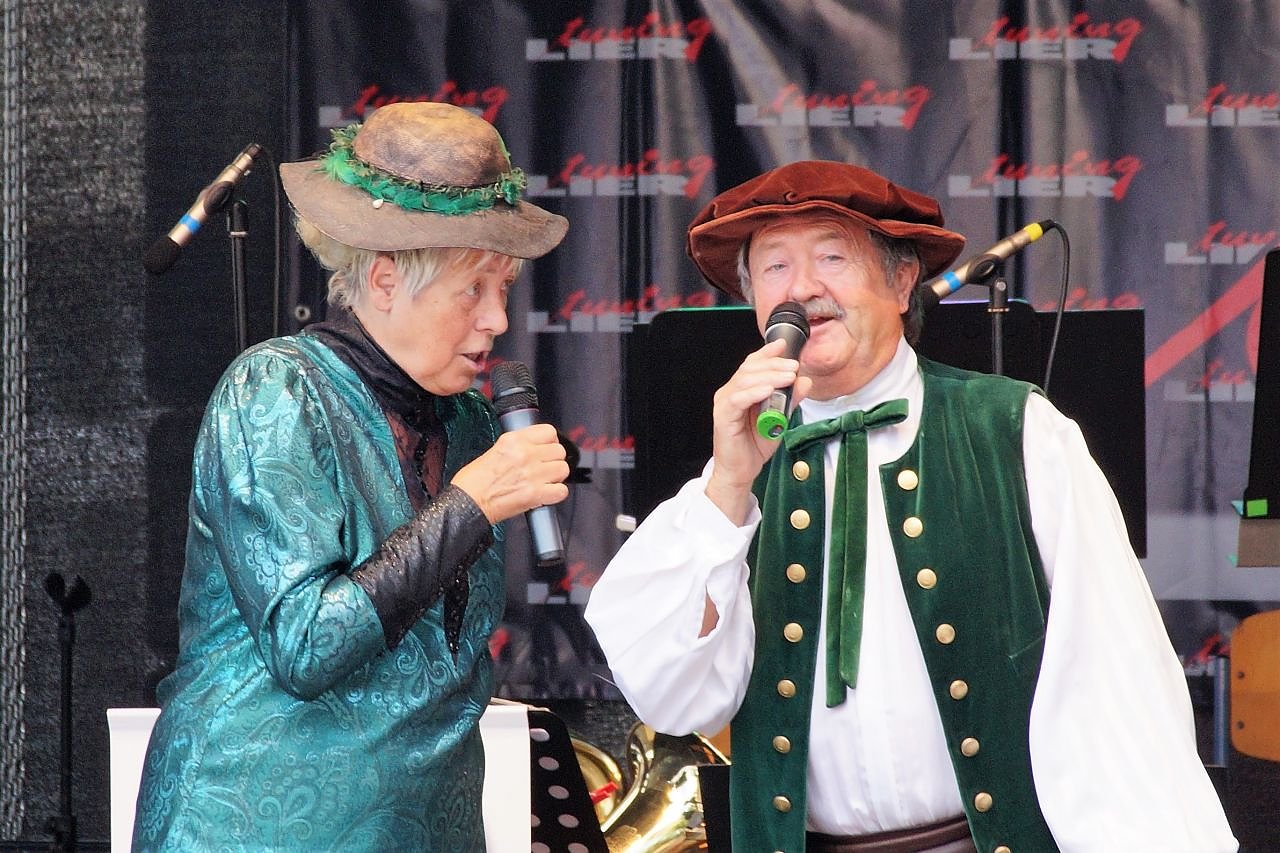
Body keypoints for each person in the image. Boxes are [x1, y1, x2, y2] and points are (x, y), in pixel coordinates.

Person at [584, 161, 1237, 852]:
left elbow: (1113, 673)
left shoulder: (1017, 431)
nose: (800, 289)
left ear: (901, 283)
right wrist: (727, 486)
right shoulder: (738, 473)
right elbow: (676, 699)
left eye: (831, 257)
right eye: (774, 267)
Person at [133, 102, 570, 851]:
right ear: (386, 279)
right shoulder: (276, 390)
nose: (498, 319)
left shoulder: (472, 426)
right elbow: (305, 645)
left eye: (505, 288)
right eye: (474, 288)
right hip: (253, 827)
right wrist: (470, 504)